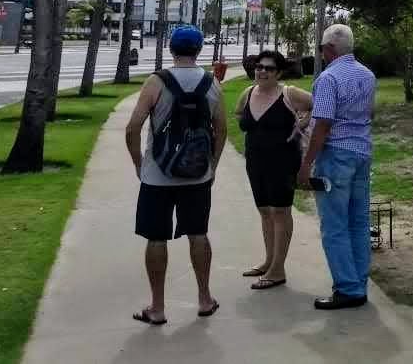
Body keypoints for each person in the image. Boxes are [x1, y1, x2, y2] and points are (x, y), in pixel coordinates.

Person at [125, 25, 226, 326]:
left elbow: (133, 128)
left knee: (156, 237)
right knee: (198, 233)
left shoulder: (157, 82)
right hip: (197, 174)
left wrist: (139, 164)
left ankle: (157, 308)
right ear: (199, 50)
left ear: (171, 48)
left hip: (158, 175)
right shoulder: (212, 83)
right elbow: (221, 130)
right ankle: (205, 299)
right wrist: (213, 165)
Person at [299, 23, 377, 310]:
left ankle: (347, 288)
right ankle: (358, 282)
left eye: (321, 48)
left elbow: (323, 125)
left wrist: (307, 164)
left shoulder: (328, 78)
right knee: (358, 221)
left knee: (334, 225)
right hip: (362, 152)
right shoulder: (367, 75)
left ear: (329, 49)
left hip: (336, 156)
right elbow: (370, 112)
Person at [235, 50, 312, 289]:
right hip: (255, 161)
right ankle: (269, 262)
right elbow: (239, 114)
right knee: (265, 212)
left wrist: (303, 122)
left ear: (278, 72)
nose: (262, 71)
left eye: (268, 68)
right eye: (259, 67)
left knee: (280, 213)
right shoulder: (247, 93)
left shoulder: (289, 94)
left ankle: (278, 270)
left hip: (283, 161)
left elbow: (319, 105)